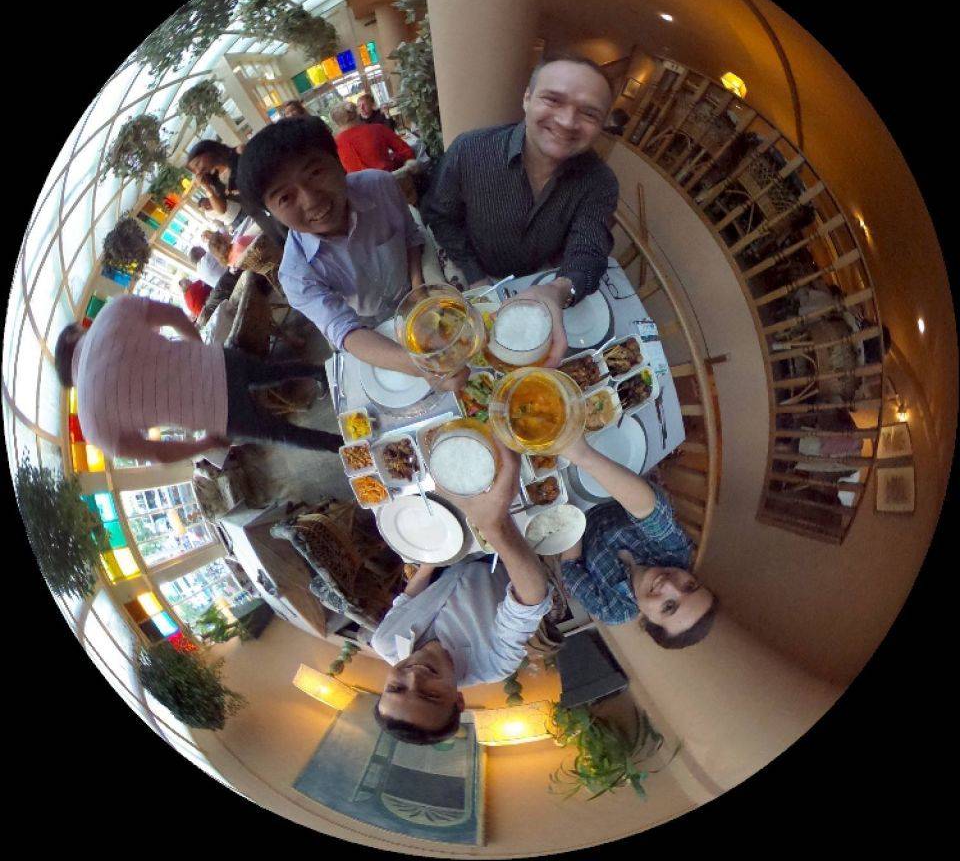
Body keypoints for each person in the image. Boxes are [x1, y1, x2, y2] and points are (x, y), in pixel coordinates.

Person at [236, 116, 465, 388]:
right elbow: (346, 331)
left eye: (315, 173)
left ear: (338, 161)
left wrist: (418, 290)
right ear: (271, 212)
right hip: (372, 331)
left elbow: (410, 236)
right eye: (285, 198)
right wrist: (426, 366)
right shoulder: (296, 274)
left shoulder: (380, 186)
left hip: (419, 300)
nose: (311, 200)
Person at [420, 53, 620, 365]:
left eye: (589, 113)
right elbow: (441, 217)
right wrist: (475, 277)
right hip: (474, 272)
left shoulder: (600, 182)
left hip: (543, 283)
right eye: (553, 100)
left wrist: (559, 290)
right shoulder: (469, 151)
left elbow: (589, 250)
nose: (567, 121)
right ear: (527, 98)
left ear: (602, 125)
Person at [371, 439, 554, 744]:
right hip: (505, 553)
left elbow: (408, 599)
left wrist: (429, 560)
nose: (414, 677)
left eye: (396, 687)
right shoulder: (493, 665)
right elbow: (531, 599)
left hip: (449, 555)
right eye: (429, 695)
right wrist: (494, 526)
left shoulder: (384, 642)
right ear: (458, 701)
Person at [53, 295, 341, 464]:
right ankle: (322, 372)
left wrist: (205, 444)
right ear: (72, 337)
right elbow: (175, 315)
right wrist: (199, 350)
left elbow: (158, 453)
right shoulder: (111, 312)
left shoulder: (91, 424)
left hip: (218, 413)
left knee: (284, 434)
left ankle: (345, 445)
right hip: (219, 362)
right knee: (271, 372)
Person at [557, 435, 717, 647]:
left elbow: (570, 569)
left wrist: (569, 509)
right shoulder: (676, 552)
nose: (669, 584)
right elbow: (651, 511)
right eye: (689, 586)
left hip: (568, 511)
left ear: (648, 621)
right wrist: (582, 455)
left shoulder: (613, 610)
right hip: (606, 476)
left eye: (668, 606)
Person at [330, 101, 417, 174]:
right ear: (357, 113)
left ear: (336, 122)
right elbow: (406, 152)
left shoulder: (334, 144)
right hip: (391, 181)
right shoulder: (378, 129)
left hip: (359, 188)